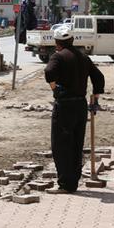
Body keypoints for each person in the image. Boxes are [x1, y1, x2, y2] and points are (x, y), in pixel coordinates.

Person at [44, 26, 105, 194]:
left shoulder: (59, 56)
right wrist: (96, 97)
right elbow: (98, 77)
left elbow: (49, 72)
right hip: (80, 105)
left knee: (61, 144)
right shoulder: (83, 57)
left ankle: (66, 185)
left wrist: (54, 88)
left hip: (65, 106)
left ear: (57, 43)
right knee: (76, 144)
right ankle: (74, 182)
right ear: (72, 40)